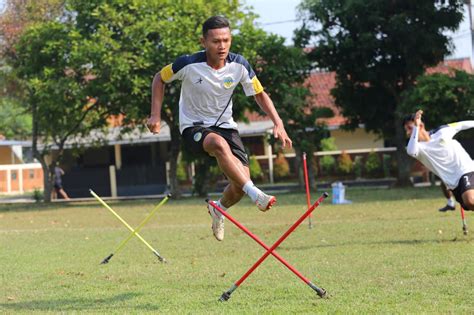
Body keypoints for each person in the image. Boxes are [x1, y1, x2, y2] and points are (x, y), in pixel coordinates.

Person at [147, 16, 292, 241]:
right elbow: (159, 78)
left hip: (226, 126)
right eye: (215, 41)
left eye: (226, 40)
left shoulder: (240, 65)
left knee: (238, 185)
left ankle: (219, 208)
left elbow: (260, 95)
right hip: (193, 127)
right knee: (218, 144)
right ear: (203, 41)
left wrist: (278, 122)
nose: (222, 46)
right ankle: (257, 195)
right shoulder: (187, 64)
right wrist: (155, 115)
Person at [403, 110, 474, 211]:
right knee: (469, 205)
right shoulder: (418, 148)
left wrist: (417, 126)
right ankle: (451, 203)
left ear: (421, 126)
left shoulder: (442, 132)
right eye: (407, 130)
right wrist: (415, 127)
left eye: (409, 128)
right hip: (453, 183)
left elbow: (462, 125)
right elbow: (411, 151)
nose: (408, 133)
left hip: (466, 170)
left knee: (470, 200)